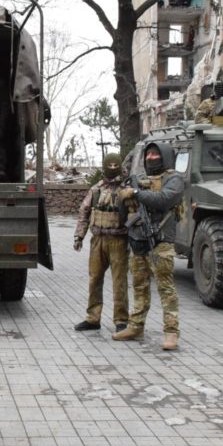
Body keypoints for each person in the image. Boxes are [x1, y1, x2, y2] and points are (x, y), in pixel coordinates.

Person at [113, 142, 185, 351]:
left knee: (166, 288)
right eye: (149, 154)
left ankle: (171, 332)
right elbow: (123, 209)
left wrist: (134, 193)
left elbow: (163, 199)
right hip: (138, 241)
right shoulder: (139, 180)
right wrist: (124, 196)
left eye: (156, 154)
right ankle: (136, 326)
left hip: (161, 242)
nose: (151, 158)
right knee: (139, 286)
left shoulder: (174, 179)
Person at [73, 152, 130, 333]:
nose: (112, 169)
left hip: (119, 241)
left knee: (119, 282)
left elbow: (136, 214)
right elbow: (84, 213)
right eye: (109, 166)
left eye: (116, 166)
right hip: (97, 240)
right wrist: (79, 236)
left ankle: (121, 320)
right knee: (94, 279)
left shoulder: (127, 189)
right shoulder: (96, 189)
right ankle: (93, 318)